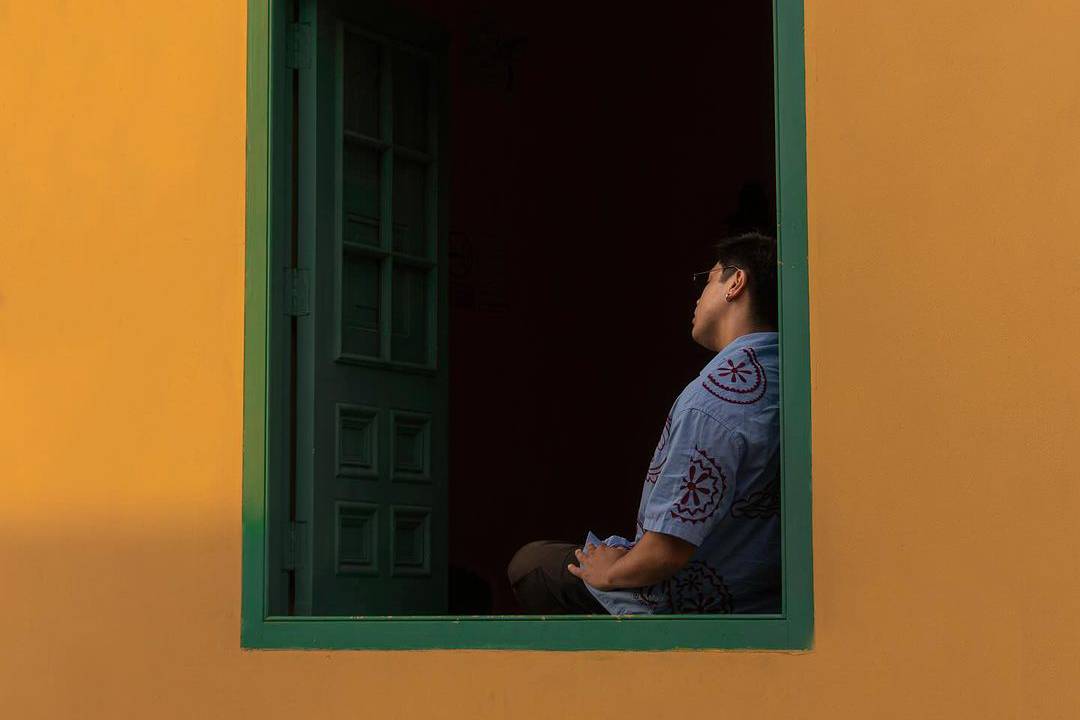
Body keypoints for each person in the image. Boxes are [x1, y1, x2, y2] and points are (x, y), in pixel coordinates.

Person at [506, 232, 781, 615]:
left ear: (735, 282)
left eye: (707, 279)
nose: (698, 297)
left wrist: (611, 572)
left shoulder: (716, 398)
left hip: (695, 597)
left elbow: (666, 552)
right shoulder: (788, 374)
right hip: (760, 590)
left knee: (531, 565)